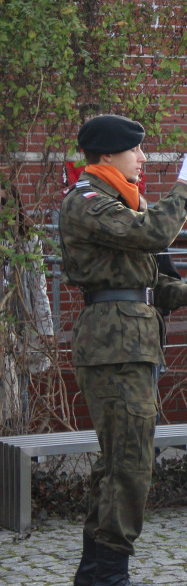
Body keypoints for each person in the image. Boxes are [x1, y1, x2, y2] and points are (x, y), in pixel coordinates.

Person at [60, 114, 187, 586]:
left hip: (131, 344)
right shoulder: (88, 202)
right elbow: (155, 232)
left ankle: (95, 576)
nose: (142, 158)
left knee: (116, 463)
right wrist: (185, 183)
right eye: (135, 151)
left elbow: (146, 281)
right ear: (108, 155)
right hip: (115, 348)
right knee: (130, 465)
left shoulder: (118, 203)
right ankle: (112, 581)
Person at [1, 181, 55, 430]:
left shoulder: (28, 237)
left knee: (18, 390)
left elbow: (38, 288)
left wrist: (46, 331)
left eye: (5, 203)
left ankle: (18, 446)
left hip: (19, 324)